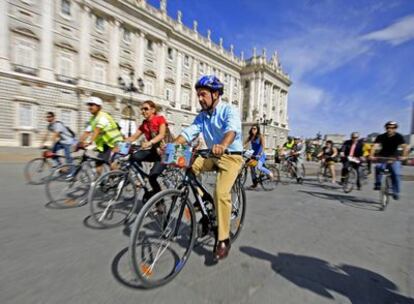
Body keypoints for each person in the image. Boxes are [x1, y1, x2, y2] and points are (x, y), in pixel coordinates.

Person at [174, 75, 244, 261]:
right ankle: (204, 201)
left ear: (215, 94)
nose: (199, 98)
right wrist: (173, 147)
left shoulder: (230, 110)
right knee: (189, 168)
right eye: (198, 95)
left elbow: (231, 130)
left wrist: (222, 144)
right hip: (211, 154)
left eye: (203, 94)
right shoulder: (202, 116)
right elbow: (189, 133)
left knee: (221, 193)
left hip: (231, 155)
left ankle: (223, 238)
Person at [126, 100, 167, 199]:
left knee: (152, 177)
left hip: (165, 153)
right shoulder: (144, 123)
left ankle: (159, 202)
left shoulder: (160, 119)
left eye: (146, 109)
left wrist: (150, 142)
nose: (143, 111)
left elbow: (161, 134)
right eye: (142, 109)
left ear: (153, 110)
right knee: (134, 156)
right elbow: (134, 136)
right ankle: (142, 179)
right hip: (154, 151)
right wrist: (122, 143)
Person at [79, 96, 123, 173]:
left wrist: (89, 142)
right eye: (89, 105)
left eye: (92, 105)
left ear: (99, 106)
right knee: (98, 164)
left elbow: (97, 130)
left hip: (115, 143)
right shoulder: (92, 119)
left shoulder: (103, 116)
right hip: (105, 145)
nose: (90, 107)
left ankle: (121, 177)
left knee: (112, 164)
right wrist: (79, 142)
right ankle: (100, 183)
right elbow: (87, 132)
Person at [370, 121, 409, 200]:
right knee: (378, 167)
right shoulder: (381, 136)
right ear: (385, 128)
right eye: (388, 127)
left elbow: (405, 147)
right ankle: (378, 183)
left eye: (392, 128)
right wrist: (371, 155)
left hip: (394, 158)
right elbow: (374, 146)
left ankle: (396, 192)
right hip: (382, 156)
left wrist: (404, 156)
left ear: (395, 128)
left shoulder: (399, 137)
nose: (390, 129)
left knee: (396, 173)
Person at [243, 124, 273, 189]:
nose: (253, 130)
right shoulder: (250, 137)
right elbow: (244, 143)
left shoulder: (260, 136)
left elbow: (263, 146)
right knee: (251, 167)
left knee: (259, 167)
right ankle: (255, 183)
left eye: (255, 129)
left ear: (257, 130)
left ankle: (269, 172)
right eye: (252, 128)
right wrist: (242, 148)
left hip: (261, 155)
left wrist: (260, 153)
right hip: (253, 155)